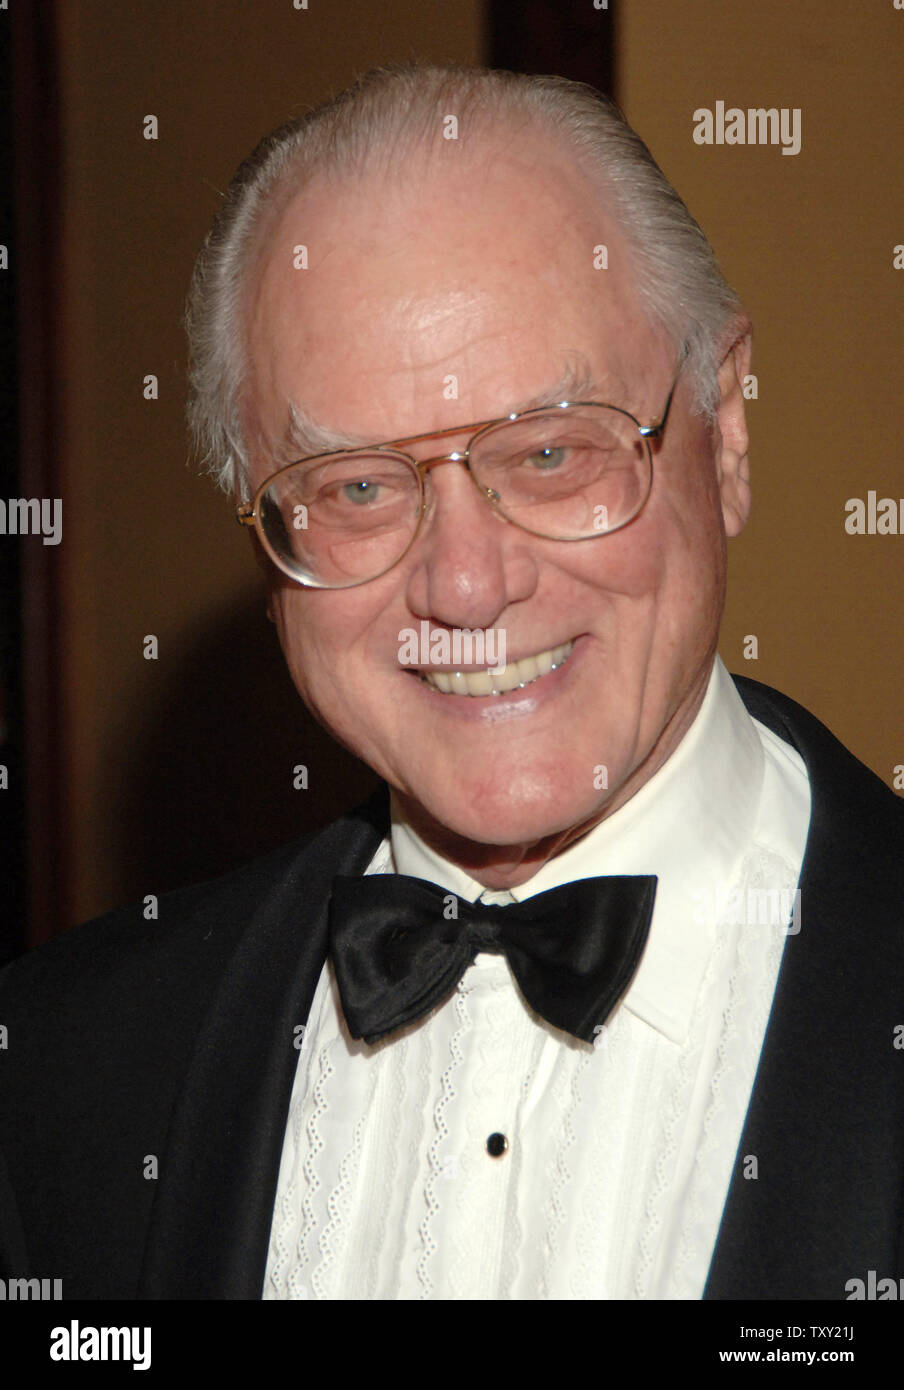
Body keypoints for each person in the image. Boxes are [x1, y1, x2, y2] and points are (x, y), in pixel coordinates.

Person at [0, 63, 901, 1302]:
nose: (465, 587)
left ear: (724, 426)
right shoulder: (63, 1070)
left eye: (547, 451)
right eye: (359, 487)